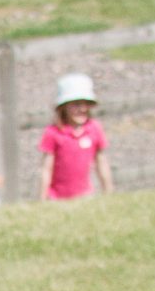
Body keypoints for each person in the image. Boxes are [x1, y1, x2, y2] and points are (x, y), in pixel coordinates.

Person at [38, 73, 113, 203]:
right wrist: (42, 198)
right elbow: (46, 169)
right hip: (57, 199)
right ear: (64, 107)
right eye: (76, 105)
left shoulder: (94, 128)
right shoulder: (53, 132)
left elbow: (101, 162)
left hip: (85, 197)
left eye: (86, 104)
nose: (82, 109)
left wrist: (108, 190)